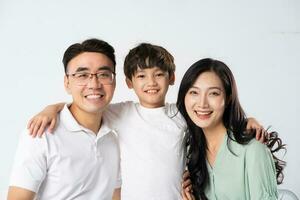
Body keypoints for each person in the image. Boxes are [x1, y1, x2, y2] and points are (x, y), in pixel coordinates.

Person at [25, 44, 265, 200]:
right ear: (129, 82)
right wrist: (52, 109)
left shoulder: (181, 113)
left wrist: (247, 121)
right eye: (141, 76)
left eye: (159, 74)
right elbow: (86, 104)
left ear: (171, 78)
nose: (151, 82)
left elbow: (211, 117)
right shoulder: (121, 113)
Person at [8, 39, 121, 200]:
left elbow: (115, 194)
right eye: (82, 75)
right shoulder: (41, 133)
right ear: (67, 83)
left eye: (103, 75)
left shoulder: (118, 131)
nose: (94, 84)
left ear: (114, 81)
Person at [177, 58, 285, 200]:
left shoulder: (253, 149)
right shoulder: (192, 154)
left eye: (213, 93)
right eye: (194, 92)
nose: (202, 104)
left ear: (228, 98)